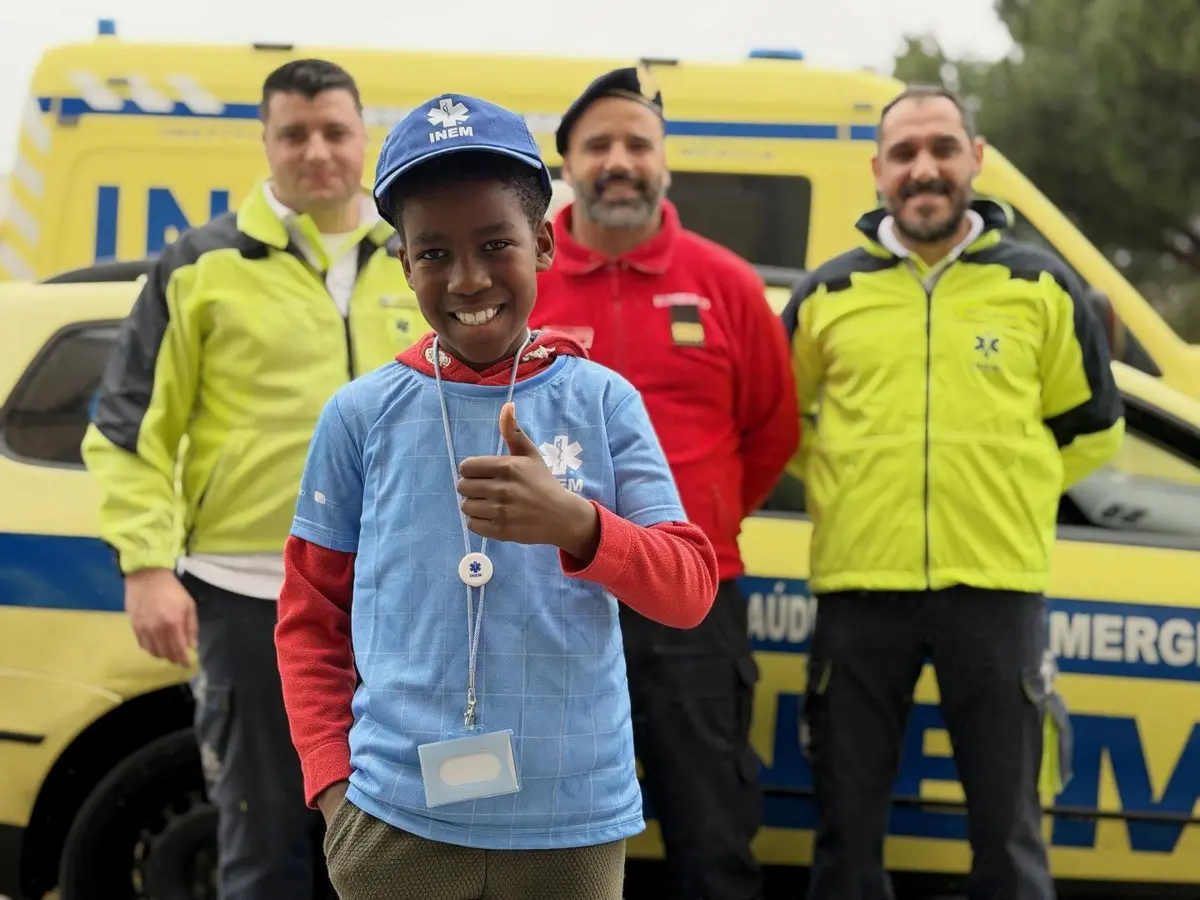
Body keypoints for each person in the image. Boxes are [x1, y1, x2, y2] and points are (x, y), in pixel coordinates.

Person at [272, 93, 721, 900]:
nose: (468, 277)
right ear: (403, 262)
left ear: (544, 243)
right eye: (434, 253)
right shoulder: (360, 414)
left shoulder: (605, 401)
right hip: (394, 820)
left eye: (495, 244)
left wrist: (579, 526)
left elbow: (690, 590)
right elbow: (310, 618)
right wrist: (333, 787)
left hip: (571, 823)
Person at [80, 59, 423, 900]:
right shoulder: (198, 266)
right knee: (262, 841)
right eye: (294, 133)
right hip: (247, 595)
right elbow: (129, 427)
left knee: (398, 845)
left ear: (363, 137)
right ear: (264, 143)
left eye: (335, 131)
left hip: (401, 598)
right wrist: (147, 566)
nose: (316, 151)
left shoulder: (414, 255)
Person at [782, 84, 1125, 900]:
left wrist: (1013, 489)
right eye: (904, 153)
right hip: (860, 590)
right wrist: (849, 483)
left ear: (977, 158)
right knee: (846, 837)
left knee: (1008, 840)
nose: (923, 168)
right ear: (877, 171)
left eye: (941, 148)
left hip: (997, 591)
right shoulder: (828, 294)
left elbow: (1094, 427)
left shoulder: (1042, 288)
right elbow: (780, 423)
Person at [530, 65, 798, 900]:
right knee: (542, 833)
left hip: (695, 603)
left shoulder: (725, 284)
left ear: (665, 163)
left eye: (637, 144)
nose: (619, 160)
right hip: (548, 599)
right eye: (598, 144)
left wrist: (697, 529)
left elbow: (771, 431)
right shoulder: (522, 279)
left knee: (710, 832)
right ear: (565, 164)